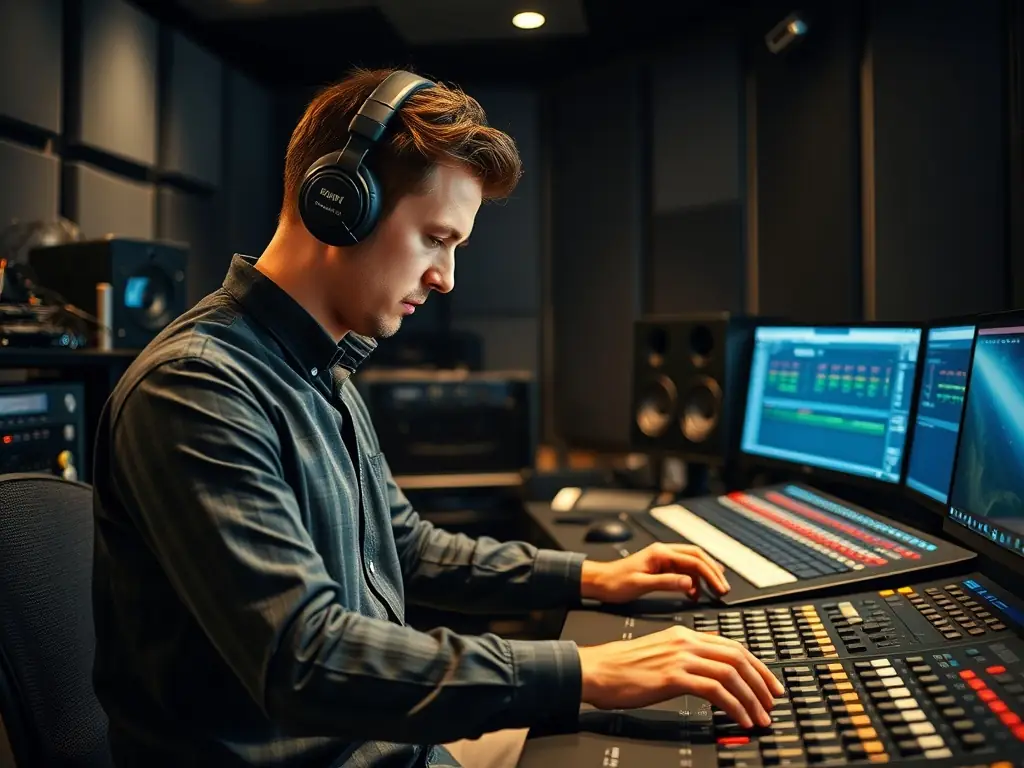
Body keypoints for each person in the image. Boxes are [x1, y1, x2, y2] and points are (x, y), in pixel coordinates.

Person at [90, 67, 784, 768]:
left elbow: (407, 549)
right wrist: (586, 673)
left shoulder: (322, 367)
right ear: (337, 204)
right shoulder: (198, 388)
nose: (446, 278)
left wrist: (591, 577)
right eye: (434, 238)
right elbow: (304, 657)